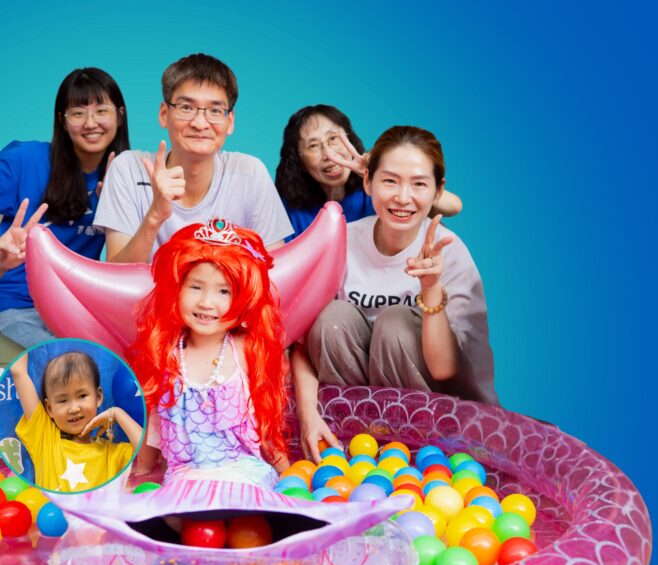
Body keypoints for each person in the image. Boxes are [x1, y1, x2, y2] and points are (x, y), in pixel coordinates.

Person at [292, 126, 496, 461]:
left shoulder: (450, 252)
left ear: (436, 191)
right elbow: (301, 345)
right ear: (368, 183)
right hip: (355, 419)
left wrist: (431, 290)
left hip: (436, 417)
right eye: (390, 181)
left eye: (418, 184)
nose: (403, 197)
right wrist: (308, 417)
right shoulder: (340, 240)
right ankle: (350, 443)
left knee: (396, 324)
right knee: (332, 318)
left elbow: (448, 370)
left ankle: (414, 452)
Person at [128, 218, 289, 488]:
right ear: (176, 289)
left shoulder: (244, 349)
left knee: (245, 511)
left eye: (224, 291)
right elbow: (154, 426)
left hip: (244, 473)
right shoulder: (167, 354)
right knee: (176, 518)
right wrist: (141, 475)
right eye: (195, 287)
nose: (206, 302)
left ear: (244, 298)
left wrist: (292, 477)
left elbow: (265, 424)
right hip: (185, 479)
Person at [95, 53, 292, 263]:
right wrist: (155, 216)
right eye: (186, 108)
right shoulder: (128, 169)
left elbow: (276, 272)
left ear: (230, 121)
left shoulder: (250, 174)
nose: (200, 123)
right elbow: (116, 274)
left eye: (215, 110)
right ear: (164, 114)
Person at [0, 68, 129, 348]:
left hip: (77, 313)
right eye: (78, 112)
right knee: (67, 366)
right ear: (62, 121)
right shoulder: (24, 160)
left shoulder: (128, 179)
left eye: (101, 110)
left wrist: (120, 204)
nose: (90, 123)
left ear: (119, 115)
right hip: (13, 307)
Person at [275, 105, 462, 242]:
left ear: (350, 140)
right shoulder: (287, 208)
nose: (329, 155)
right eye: (313, 146)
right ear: (299, 161)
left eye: (333, 139)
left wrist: (375, 172)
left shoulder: (377, 189)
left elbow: (453, 206)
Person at [9, 351, 142, 491]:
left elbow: (147, 454)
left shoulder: (113, 453)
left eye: (82, 396)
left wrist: (116, 413)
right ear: (49, 408)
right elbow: (18, 371)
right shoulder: (45, 440)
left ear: (98, 397)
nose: (73, 408)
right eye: (63, 400)